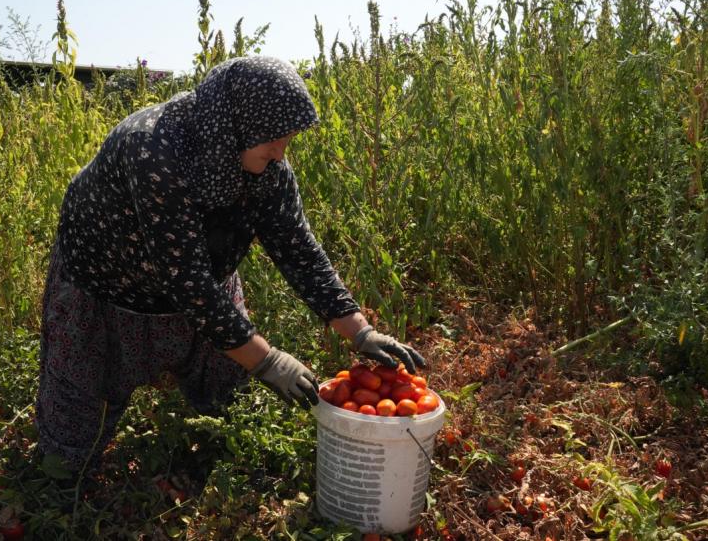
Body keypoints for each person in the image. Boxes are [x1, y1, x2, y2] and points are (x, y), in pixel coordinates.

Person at [35, 56, 425, 473]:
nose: (280, 153)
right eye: (272, 140)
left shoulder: (265, 163)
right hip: (108, 283)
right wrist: (267, 360)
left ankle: (209, 462)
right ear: (235, 126)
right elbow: (187, 281)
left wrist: (359, 330)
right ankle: (63, 489)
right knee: (77, 416)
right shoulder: (151, 148)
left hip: (203, 282)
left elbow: (296, 246)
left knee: (227, 400)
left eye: (287, 140)